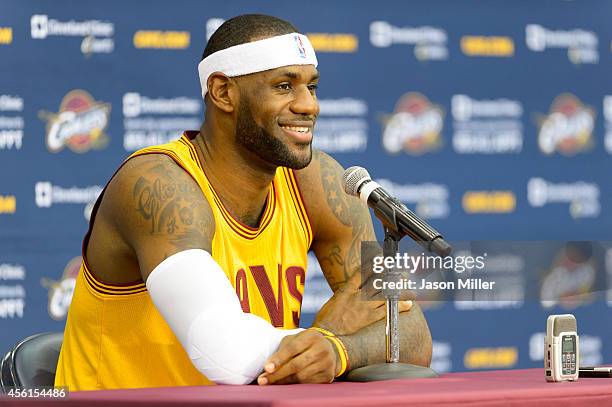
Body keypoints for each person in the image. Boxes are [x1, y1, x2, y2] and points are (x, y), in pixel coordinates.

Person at [54, 14, 432, 390]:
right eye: (284, 87)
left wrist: (339, 350)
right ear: (223, 92)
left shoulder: (317, 182)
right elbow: (224, 354)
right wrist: (329, 335)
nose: (309, 106)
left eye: (312, 88)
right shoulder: (159, 184)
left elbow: (410, 333)